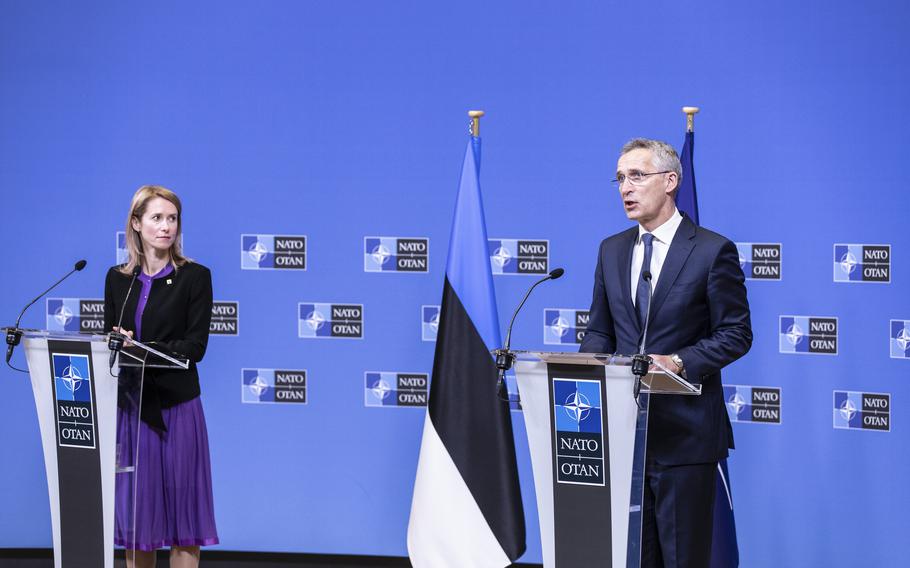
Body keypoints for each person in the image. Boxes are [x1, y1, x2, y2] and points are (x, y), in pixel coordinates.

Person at [579, 139, 752, 567]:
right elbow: (600, 331)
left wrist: (678, 362)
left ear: (671, 181)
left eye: (637, 176)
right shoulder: (611, 249)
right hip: (623, 437)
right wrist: (580, 380)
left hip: (685, 439)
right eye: (620, 178)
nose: (626, 188)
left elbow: (736, 332)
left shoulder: (712, 250)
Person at [103, 185, 218, 568]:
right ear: (136, 224)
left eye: (172, 219)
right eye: (156, 218)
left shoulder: (195, 277)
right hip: (133, 412)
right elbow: (111, 342)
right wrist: (119, 343)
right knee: (139, 526)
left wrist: (144, 348)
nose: (166, 227)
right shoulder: (117, 280)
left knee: (184, 523)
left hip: (178, 409)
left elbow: (195, 346)